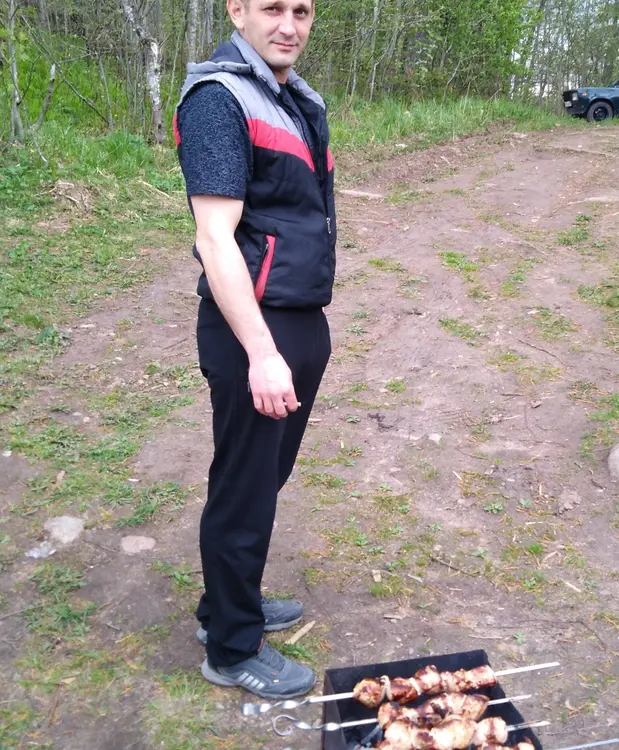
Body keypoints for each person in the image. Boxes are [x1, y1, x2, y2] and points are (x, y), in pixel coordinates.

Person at [173, 0, 335, 699]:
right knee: (243, 489)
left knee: (262, 480)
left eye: (302, 10)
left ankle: (226, 604)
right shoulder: (220, 99)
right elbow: (215, 239)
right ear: (237, 10)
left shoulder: (291, 97)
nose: (289, 25)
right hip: (253, 330)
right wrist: (263, 353)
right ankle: (232, 649)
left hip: (295, 316)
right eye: (272, 7)